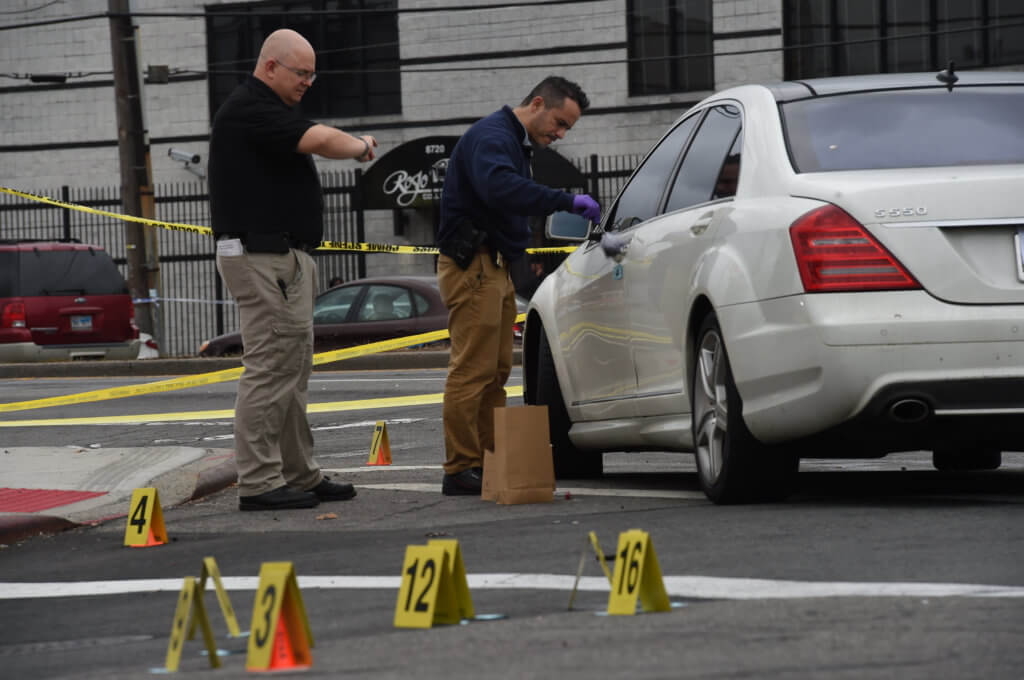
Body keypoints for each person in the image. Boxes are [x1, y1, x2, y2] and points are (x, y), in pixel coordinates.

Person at [208, 28, 379, 511]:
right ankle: (261, 482)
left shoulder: (269, 111)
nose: (308, 82)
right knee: (271, 369)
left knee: (292, 368)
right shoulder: (251, 108)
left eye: (312, 73)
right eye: (301, 73)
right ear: (270, 67)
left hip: (281, 257)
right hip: (263, 258)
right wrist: (361, 145)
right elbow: (322, 139)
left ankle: (298, 473)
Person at [435, 75, 601, 496]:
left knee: (494, 372)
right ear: (539, 103)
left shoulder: (509, 140)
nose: (559, 135)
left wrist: (519, 266)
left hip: (492, 266)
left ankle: (489, 460)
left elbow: (501, 204)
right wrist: (565, 201)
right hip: (473, 265)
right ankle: (460, 468)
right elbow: (501, 189)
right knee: (473, 369)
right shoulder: (494, 135)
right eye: (560, 123)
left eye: (567, 130)